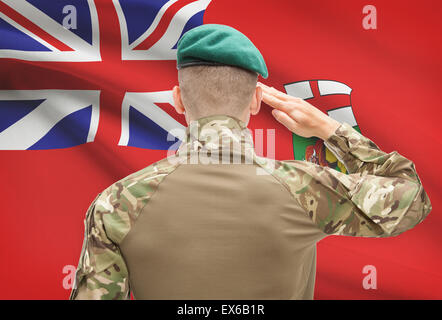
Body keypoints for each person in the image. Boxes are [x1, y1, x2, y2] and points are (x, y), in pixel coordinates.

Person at [70, 24, 432, 300]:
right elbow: (411, 197)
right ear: (257, 101)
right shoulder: (305, 188)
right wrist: (330, 129)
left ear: (178, 100)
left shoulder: (115, 204)